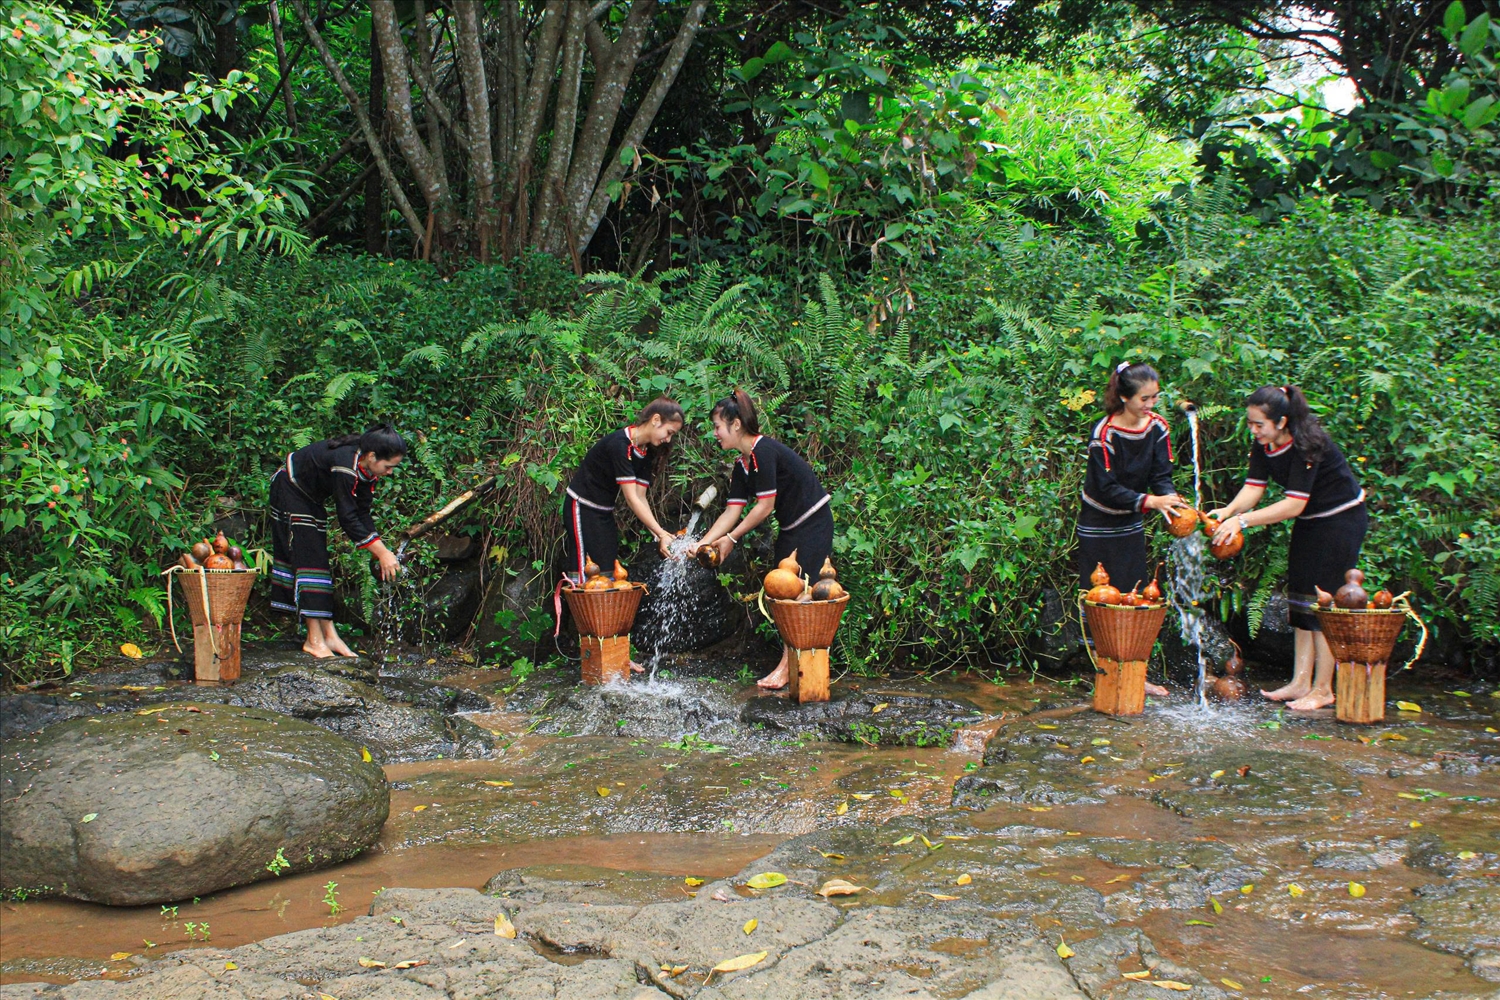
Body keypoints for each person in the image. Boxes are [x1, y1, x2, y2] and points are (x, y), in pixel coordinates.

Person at [1207, 385, 1366, 711]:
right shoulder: (1264, 443)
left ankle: (1323, 689)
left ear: (1281, 421)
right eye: (1250, 423)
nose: (1253, 430)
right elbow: (1254, 487)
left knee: (1321, 602)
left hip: (1341, 521)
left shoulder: (1309, 444)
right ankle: (1299, 682)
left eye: (1259, 424)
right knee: (1299, 597)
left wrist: (1243, 522)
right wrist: (1227, 512)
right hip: (1311, 521)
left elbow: (1293, 504)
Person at [695, 390, 833, 690]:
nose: (714, 433)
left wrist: (731, 539)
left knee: (799, 595)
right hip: (791, 528)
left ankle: (789, 668)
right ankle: (791, 666)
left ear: (735, 425)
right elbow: (733, 510)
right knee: (781, 593)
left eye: (717, 426)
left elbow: (764, 507)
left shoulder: (764, 451)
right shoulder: (742, 464)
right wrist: (702, 543)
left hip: (813, 522)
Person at [1076, 361, 1189, 698]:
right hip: (1098, 523)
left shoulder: (1157, 428)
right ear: (1124, 397)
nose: (1150, 405)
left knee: (1136, 595)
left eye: (1154, 398)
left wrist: (1168, 498)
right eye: (1144, 399)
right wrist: (1151, 502)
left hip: (1131, 522)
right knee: (1100, 598)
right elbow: (1107, 488)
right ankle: (1105, 671)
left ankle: (1137, 672)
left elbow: (1161, 473)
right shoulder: (1105, 434)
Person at [269, 423, 406, 658]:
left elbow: (361, 512)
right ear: (372, 456)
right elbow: (347, 517)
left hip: (309, 499)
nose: (390, 472)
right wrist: (382, 553)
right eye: (388, 466)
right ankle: (314, 640)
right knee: (309, 561)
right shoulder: (345, 465)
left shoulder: (365, 468)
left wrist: (380, 548)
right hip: (289, 491)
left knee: (318, 561)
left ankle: (329, 635)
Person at [562, 397, 682, 576]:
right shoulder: (620, 445)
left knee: (607, 567)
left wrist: (659, 535)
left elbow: (640, 497)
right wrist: (661, 532)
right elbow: (631, 498)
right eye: (669, 432)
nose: (668, 439)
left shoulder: (645, 452)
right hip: (581, 506)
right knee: (586, 568)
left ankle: (604, 604)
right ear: (655, 420)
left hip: (604, 512)